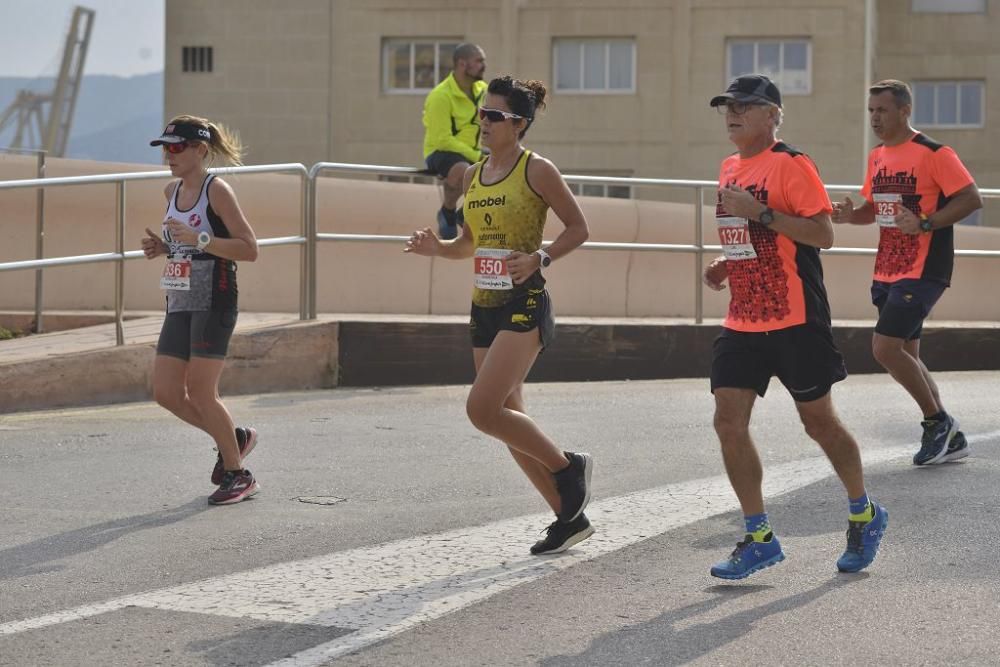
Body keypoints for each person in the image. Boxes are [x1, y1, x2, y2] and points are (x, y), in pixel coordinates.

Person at [702, 74, 887, 578]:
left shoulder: (793, 164)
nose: (732, 113)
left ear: (772, 115)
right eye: (726, 107)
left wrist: (760, 211)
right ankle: (759, 537)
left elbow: (823, 234)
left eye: (744, 106)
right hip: (743, 318)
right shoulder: (728, 167)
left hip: (796, 318)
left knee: (818, 423)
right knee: (727, 421)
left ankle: (863, 513)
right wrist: (727, 261)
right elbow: (752, 236)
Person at [406, 75, 593, 555]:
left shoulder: (537, 170)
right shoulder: (472, 174)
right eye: (481, 114)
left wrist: (541, 258)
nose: (482, 122)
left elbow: (579, 228)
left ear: (519, 124)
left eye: (493, 116)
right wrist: (437, 248)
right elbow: (467, 244)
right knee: (508, 417)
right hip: (483, 305)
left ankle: (568, 468)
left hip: (524, 301)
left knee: (482, 410)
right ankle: (567, 515)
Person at [833, 79, 982, 466]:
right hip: (887, 269)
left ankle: (937, 423)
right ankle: (950, 436)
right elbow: (874, 210)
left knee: (885, 348)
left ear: (904, 110)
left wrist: (926, 224)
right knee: (908, 354)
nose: (875, 118)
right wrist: (852, 216)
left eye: (882, 110)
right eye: (871, 111)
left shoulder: (934, 153)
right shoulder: (878, 156)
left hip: (925, 268)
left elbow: (971, 198)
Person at [141, 115, 261, 505]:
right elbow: (184, 243)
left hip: (215, 293)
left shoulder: (218, 190)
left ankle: (238, 474)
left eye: (176, 148)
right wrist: (163, 248)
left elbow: (249, 248)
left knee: (202, 391)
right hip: (180, 297)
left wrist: (201, 238)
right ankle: (233, 439)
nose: (168, 156)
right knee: (166, 392)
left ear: (200, 150)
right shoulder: (170, 191)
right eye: (165, 148)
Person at [422, 43, 488, 240]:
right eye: (479, 61)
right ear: (462, 64)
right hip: (440, 151)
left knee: (497, 171)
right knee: (463, 170)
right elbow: (443, 140)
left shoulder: (483, 90)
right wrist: (477, 155)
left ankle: (462, 214)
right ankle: (449, 212)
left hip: (471, 152)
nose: (483, 65)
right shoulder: (440, 96)